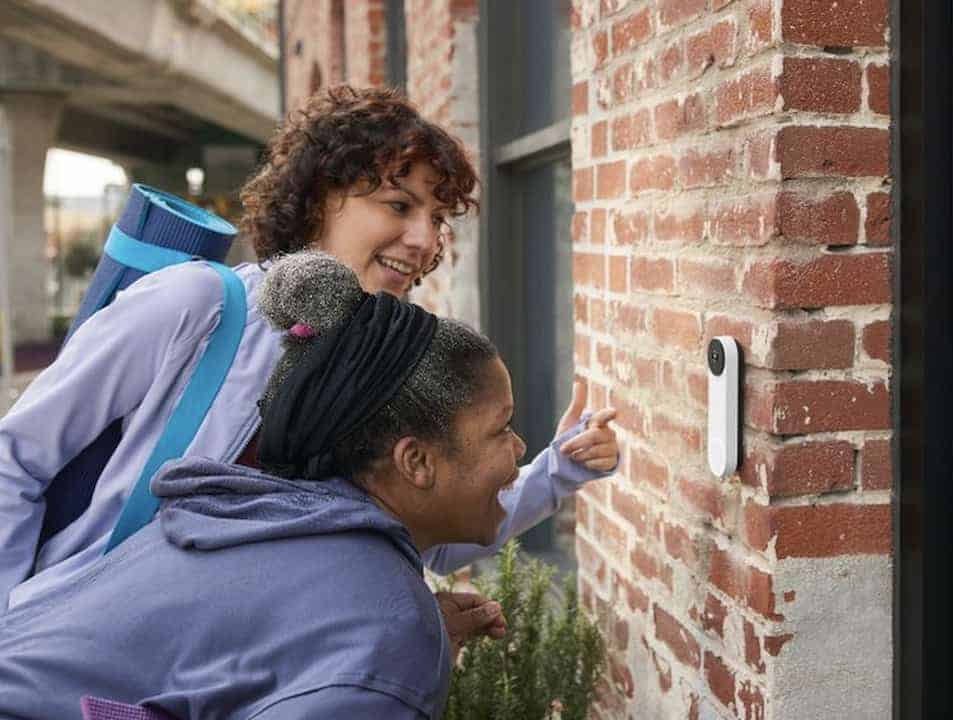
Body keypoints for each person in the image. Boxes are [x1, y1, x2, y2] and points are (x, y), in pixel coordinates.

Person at [0, 85, 619, 622]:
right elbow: (17, 459)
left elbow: (420, 532)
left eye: (438, 218)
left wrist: (556, 473)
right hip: (77, 654)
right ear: (321, 197)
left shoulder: (384, 368)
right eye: (399, 206)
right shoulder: (199, 306)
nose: (425, 239)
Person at [0, 251, 562, 718]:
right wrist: (385, 661)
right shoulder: (384, 636)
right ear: (415, 461)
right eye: (501, 428)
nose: (519, 448)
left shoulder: (244, 512)